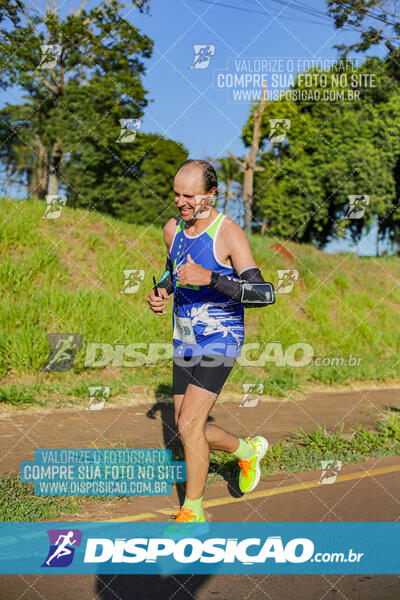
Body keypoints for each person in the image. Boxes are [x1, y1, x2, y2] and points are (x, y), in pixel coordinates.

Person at [146, 159, 275, 528]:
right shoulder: (172, 229)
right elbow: (175, 269)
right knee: (188, 427)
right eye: (176, 194)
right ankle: (246, 450)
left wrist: (212, 279)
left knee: (188, 423)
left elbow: (264, 294)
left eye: (190, 196)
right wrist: (162, 291)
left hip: (222, 336)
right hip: (185, 336)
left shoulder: (228, 233)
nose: (181, 202)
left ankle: (193, 512)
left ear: (212, 194)